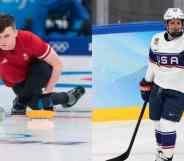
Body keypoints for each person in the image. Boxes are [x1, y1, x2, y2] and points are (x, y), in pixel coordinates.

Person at [0, 13, 85, 115]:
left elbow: (57, 65)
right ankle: (68, 97)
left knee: (25, 101)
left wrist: (48, 93)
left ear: (15, 32)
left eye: (6, 36)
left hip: (39, 70)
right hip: (18, 80)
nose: (2, 42)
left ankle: (20, 101)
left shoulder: (29, 40)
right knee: (35, 104)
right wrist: (46, 101)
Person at [139, 8, 184, 161]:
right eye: (172, 23)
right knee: (157, 123)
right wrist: (146, 82)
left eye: (179, 22)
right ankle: (161, 152)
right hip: (158, 88)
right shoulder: (156, 39)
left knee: (167, 125)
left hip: (178, 91)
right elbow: (152, 65)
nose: (176, 26)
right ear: (166, 24)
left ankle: (167, 157)